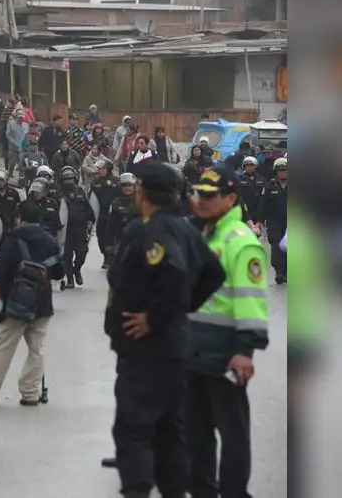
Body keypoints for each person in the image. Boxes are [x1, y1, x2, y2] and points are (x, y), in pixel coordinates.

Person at [105, 160, 225, 498]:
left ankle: (138, 489)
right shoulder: (186, 228)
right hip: (172, 348)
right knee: (170, 430)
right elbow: (213, 273)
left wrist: (154, 317)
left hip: (148, 350)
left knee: (134, 429)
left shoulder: (152, 230)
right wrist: (181, 309)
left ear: (144, 192)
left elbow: (172, 273)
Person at [187, 167, 270, 498]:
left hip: (225, 354)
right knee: (195, 434)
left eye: (210, 195)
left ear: (231, 199)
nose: (202, 200)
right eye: (200, 194)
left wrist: (244, 350)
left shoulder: (240, 242)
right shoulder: (205, 234)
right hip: (193, 352)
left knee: (232, 434)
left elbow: (250, 303)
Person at [0, 200, 63, 406]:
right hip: (41, 304)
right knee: (37, 350)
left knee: (3, 348)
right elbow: (59, 272)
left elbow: (1, 274)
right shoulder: (50, 241)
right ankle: (31, 393)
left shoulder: (12, 240)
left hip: (13, 304)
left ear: (19, 217)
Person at [258, 157, 287, 283]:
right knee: (275, 244)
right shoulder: (269, 186)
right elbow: (263, 204)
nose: (283, 172)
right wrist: (259, 221)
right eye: (280, 170)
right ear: (276, 171)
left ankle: (287, 270)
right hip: (273, 220)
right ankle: (279, 272)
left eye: (286, 170)